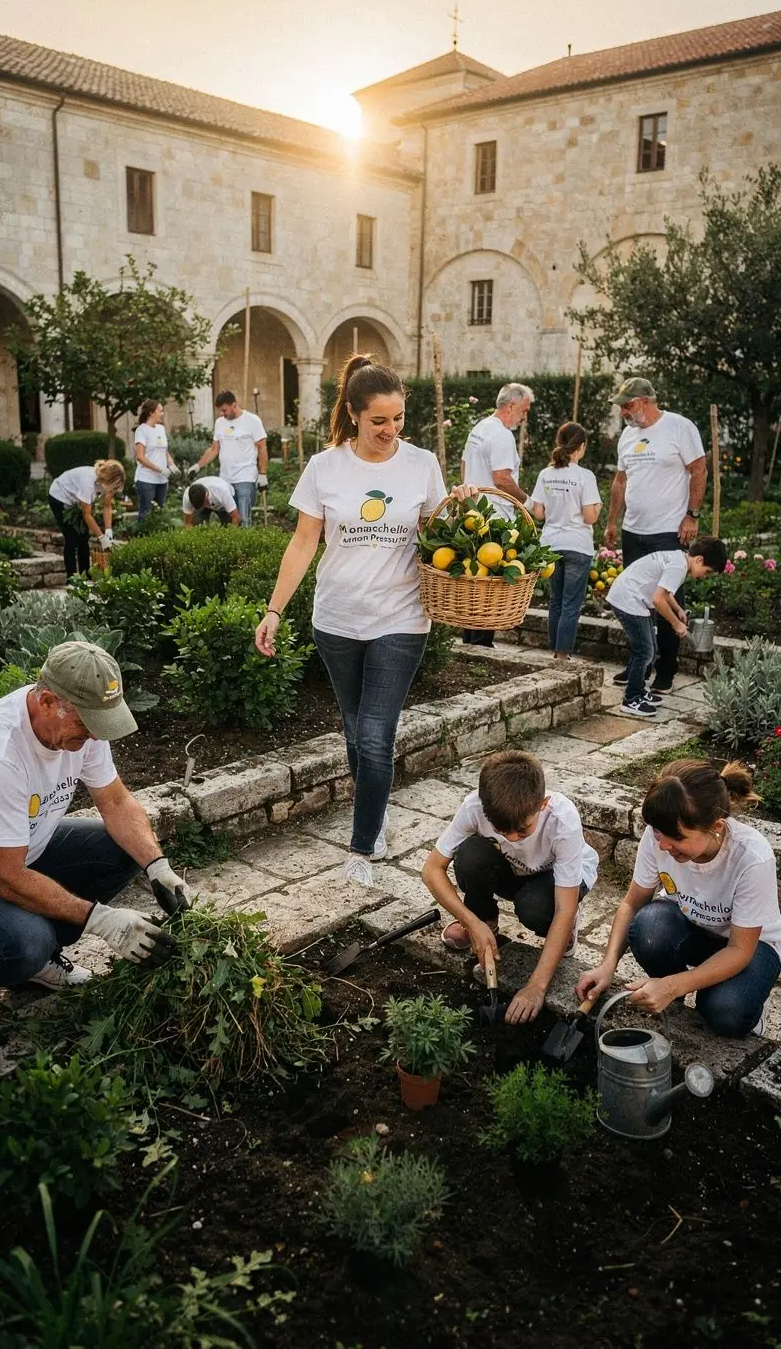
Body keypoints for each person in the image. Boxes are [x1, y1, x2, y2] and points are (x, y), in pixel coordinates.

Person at [255, 354, 474, 888]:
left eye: (398, 418)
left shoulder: (421, 464)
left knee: (376, 734)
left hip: (401, 618)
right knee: (355, 730)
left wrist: (459, 507)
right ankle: (374, 811)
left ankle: (362, 847)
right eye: (379, 420)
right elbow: (304, 541)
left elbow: (436, 537)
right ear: (352, 414)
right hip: (336, 620)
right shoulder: (324, 468)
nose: (390, 430)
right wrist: (274, 609)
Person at [0, 641, 189, 1027]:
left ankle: (38, 953)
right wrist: (101, 920)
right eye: (87, 727)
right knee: (25, 943)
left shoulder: (76, 728)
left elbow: (117, 803)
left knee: (123, 851)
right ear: (49, 702)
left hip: (20, 851)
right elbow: (6, 877)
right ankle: (3, 957)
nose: (95, 738)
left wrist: (159, 866)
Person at [576, 760, 781, 1038]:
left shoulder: (751, 858)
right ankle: (674, 992)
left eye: (676, 838)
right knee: (649, 928)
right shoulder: (660, 834)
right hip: (694, 928)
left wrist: (672, 984)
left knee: (726, 1011)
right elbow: (632, 903)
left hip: (750, 947)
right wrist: (606, 966)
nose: (663, 845)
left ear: (716, 826)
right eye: (658, 834)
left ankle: (744, 997)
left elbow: (739, 950)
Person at [422, 749, 598, 1024]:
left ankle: (564, 933)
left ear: (542, 804)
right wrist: (471, 922)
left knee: (535, 907)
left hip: (557, 883)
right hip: (515, 869)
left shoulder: (562, 820)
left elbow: (563, 907)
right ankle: (485, 924)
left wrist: (536, 987)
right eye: (503, 832)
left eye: (523, 830)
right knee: (470, 855)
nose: (513, 838)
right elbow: (432, 869)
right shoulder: (475, 806)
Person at [604, 377, 707, 694]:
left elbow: (699, 470)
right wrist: (611, 522)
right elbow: (620, 481)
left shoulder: (679, 427)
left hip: (667, 531)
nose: (623, 411)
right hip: (633, 531)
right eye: (621, 406)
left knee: (667, 600)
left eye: (627, 404)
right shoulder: (627, 436)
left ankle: (666, 670)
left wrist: (692, 515)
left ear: (645, 401)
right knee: (635, 600)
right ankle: (641, 662)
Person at [606, 535, 727, 718]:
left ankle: (639, 691)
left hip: (631, 597)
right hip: (628, 600)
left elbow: (665, 592)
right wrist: (676, 624)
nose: (704, 576)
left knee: (650, 649)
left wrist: (678, 609)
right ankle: (631, 700)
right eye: (707, 571)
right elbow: (658, 599)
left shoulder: (678, 558)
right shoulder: (678, 566)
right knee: (644, 651)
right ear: (699, 559)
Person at [460, 382, 534, 647]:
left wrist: (467, 503)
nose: (524, 417)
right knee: (491, 585)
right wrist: (527, 500)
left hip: (475, 513)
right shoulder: (502, 435)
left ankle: (471, 640)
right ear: (511, 406)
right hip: (495, 518)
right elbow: (502, 478)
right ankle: (482, 643)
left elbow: (464, 466)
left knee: (474, 580)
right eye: (524, 410)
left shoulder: (479, 428)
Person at [527, 422, 602, 660]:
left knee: (556, 601)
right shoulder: (585, 476)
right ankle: (562, 655)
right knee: (571, 603)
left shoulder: (545, 474)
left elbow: (538, 513)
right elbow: (589, 517)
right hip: (578, 545)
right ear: (580, 447)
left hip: (550, 545)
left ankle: (555, 652)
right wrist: (599, 507)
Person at [189, 390, 268, 527]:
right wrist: (197, 466)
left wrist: (263, 474)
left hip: (245, 478)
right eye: (220, 411)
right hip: (225, 479)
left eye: (224, 410)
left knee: (243, 520)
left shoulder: (252, 421)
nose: (222, 414)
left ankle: (246, 546)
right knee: (229, 521)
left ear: (234, 405)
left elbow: (262, 448)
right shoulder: (220, 423)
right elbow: (214, 449)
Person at [48, 459, 125, 577]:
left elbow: (107, 505)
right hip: (59, 497)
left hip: (75, 500)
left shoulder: (108, 485)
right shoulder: (87, 482)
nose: (114, 490)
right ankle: (72, 579)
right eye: (114, 487)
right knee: (72, 537)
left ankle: (86, 574)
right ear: (108, 479)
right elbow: (87, 515)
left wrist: (108, 531)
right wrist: (101, 537)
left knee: (84, 537)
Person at [133, 399, 179, 520]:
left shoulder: (161, 429)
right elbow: (140, 457)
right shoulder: (141, 430)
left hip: (162, 481)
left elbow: (164, 450)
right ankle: (141, 538)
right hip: (146, 479)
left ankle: (157, 539)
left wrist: (172, 464)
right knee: (146, 514)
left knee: (160, 515)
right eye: (160, 411)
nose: (163, 413)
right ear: (151, 413)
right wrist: (160, 469)